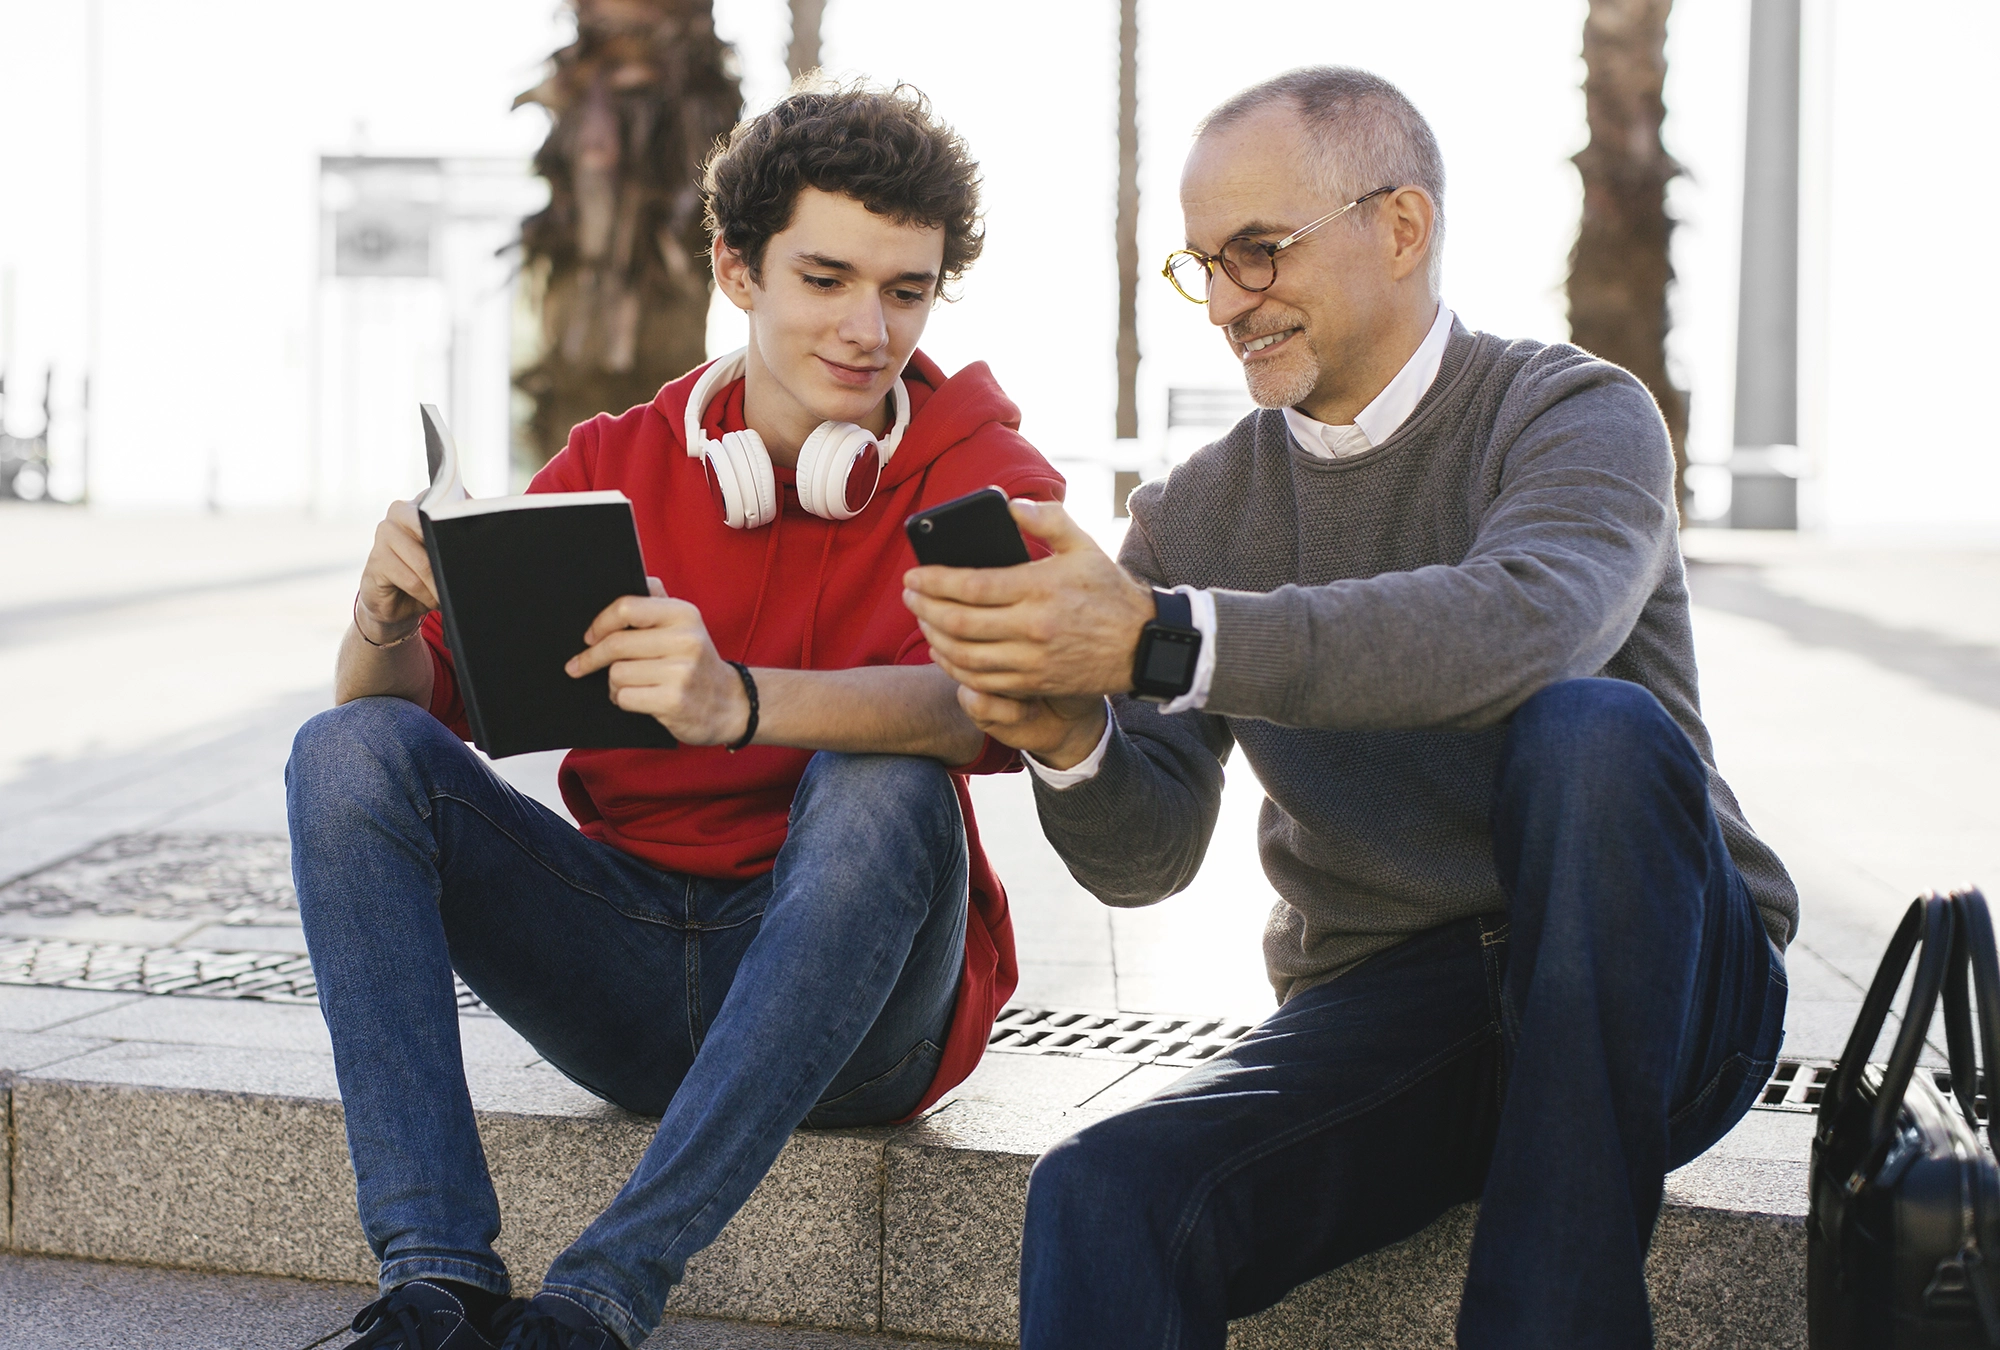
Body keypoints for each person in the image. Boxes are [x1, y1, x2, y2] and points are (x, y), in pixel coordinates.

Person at [901, 67, 1796, 1348]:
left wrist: (1164, 633)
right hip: (1396, 1011)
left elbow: (1523, 627)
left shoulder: (1573, 414)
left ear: (1400, 227)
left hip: (1657, 986)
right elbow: (1144, 859)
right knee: (1105, 1191)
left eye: (1257, 254)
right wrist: (1068, 737)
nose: (1223, 303)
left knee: (1586, 731)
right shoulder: (1195, 513)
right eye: (1202, 266)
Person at [287, 82, 1063, 1350]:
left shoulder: (981, 469)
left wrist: (740, 703)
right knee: (345, 749)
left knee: (889, 776)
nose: (869, 329)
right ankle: (435, 1283)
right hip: (627, 977)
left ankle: (600, 1297)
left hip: (865, 1021)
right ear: (735, 268)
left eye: (906, 291)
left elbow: (1002, 706)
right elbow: (400, 727)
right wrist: (381, 614)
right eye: (825, 277)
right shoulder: (612, 463)